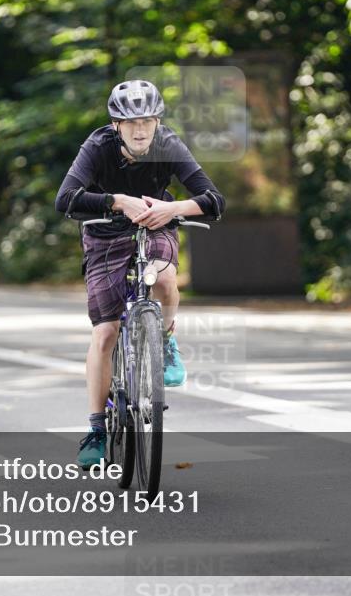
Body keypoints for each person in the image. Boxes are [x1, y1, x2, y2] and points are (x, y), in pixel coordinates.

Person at [55, 79, 225, 468]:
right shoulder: (98, 146)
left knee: (163, 279)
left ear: (157, 121)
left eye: (147, 120)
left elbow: (214, 199)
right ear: (116, 125)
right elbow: (65, 199)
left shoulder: (168, 144)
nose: (140, 129)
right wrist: (117, 201)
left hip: (156, 226)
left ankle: (164, 341)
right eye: (131, 122)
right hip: (103, 233)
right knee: (105, 333)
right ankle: (97, 429)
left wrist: (173, 209)